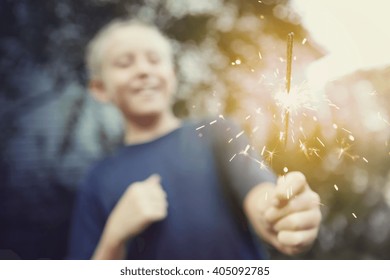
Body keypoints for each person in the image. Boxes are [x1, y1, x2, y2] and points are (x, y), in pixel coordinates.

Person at [67, 18, 322, 260]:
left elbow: (260, 194)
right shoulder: (97, 180)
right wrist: (115, 236)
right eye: (124, 63)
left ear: (173, 74)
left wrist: (282, 214)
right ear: (100, 89)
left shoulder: (215, 133)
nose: (144, 70)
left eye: (155, 60)